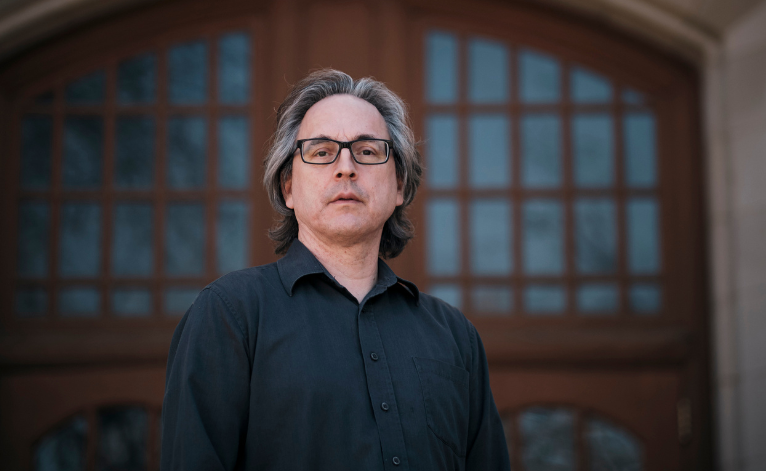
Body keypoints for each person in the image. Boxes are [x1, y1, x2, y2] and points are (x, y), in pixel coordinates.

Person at [161, 69, 510, 470]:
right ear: (289, 187)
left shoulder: (455, 336)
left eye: (367, 150)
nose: (346, 167)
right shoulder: (229, 314)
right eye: (322, 151)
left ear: (399, 184)